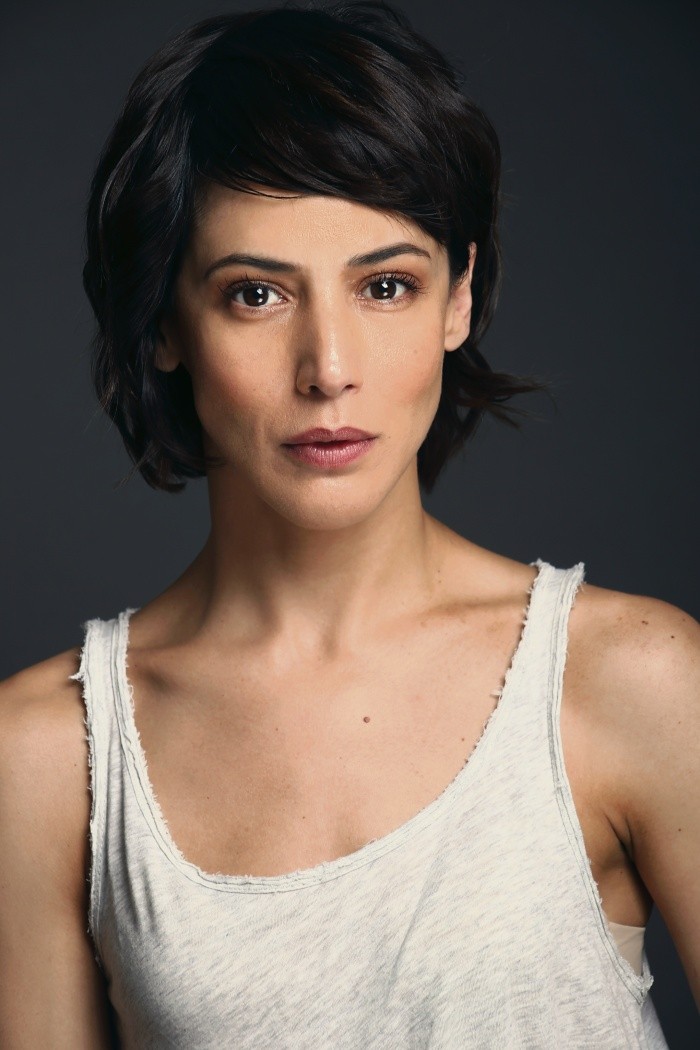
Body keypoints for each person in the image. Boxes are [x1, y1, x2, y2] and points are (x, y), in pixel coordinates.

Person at [0, 1, 697, 1046]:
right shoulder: (47, 759)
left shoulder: (632, 679)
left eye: (386, 285)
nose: (329, 368)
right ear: (163, 324)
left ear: (458, 299)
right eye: (255, 295)